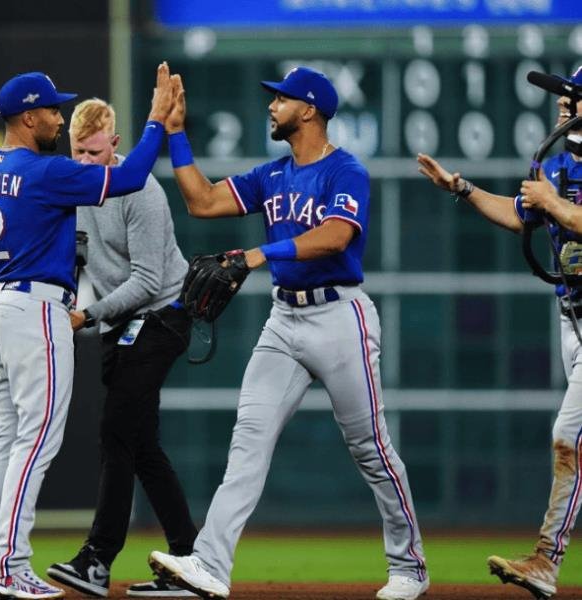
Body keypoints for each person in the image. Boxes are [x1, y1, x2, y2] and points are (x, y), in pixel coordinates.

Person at [147, 66, 430, 600]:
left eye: (281, 99)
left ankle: (410, 567)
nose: (272, 106)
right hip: (285, 320)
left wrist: (259, 253)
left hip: (340, 317)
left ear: (310, 109)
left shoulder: (345, 170)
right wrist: (176, 133)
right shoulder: (272, 174)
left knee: (371, 449)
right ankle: (209, 564)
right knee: (247, 443)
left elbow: (335, 236)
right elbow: (202, 201)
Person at [0, 66, 177, 600]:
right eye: (53, 110)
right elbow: (128, 177)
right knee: (35, 441)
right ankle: (9, 567)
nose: (59, 117)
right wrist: (155, 120)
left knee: (6, 442)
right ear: (28, 117)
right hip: (35, 309)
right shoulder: (46, 171)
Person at [417, 65, 582, 600]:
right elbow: (520, 216)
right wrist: (461, 188)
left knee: (569, 437)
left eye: (570, 96)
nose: (561, 103)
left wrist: (552, 203)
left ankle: (545, 561)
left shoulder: (554, 182)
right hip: (572, 317)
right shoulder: (558, 165)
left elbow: (552, 211)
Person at [43, 98, 198, 598]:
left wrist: (87, 316)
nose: (85, 162)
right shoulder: (73, 185)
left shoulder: (141, 190)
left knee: (115, 432)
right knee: (142, 446)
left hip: (162, 317)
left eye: (94, 152)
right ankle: (189, 563)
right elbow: (74, 259)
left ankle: (97, 559)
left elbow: (150, 279)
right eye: (77, 152)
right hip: (121, 325)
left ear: (115, 144)